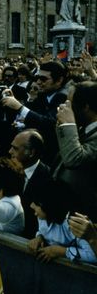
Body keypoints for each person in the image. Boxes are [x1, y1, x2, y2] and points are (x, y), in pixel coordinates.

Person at [2, 61, 69, 164]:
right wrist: (14, 100)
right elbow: (33, 111)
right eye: (38, 77)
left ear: (59, 80)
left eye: (43, 79)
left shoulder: (63, 97)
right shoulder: (44, 93)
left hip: (52, 154)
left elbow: (50, 123)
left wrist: (19, 107)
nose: (38, 82)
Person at [53, 81, 97, 222]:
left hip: (84, 215)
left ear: (85, 107)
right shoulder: (83, 126)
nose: (65, 107)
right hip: (65, 207)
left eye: (69, 103)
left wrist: (68, 124)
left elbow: (73, 158)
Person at [28, 188, 97, 264]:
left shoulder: (75, 223)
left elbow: (93, 256)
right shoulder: (42, 217)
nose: (31, 205)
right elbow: (43, 231)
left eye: (37, 204)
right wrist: (39, 237)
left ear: (49, 207)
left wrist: (59, 251)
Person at [9, 129, 53, 239]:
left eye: (15, 148)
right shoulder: (8, 169)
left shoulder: (49, 179)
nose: (10, 151)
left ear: (31, 152)